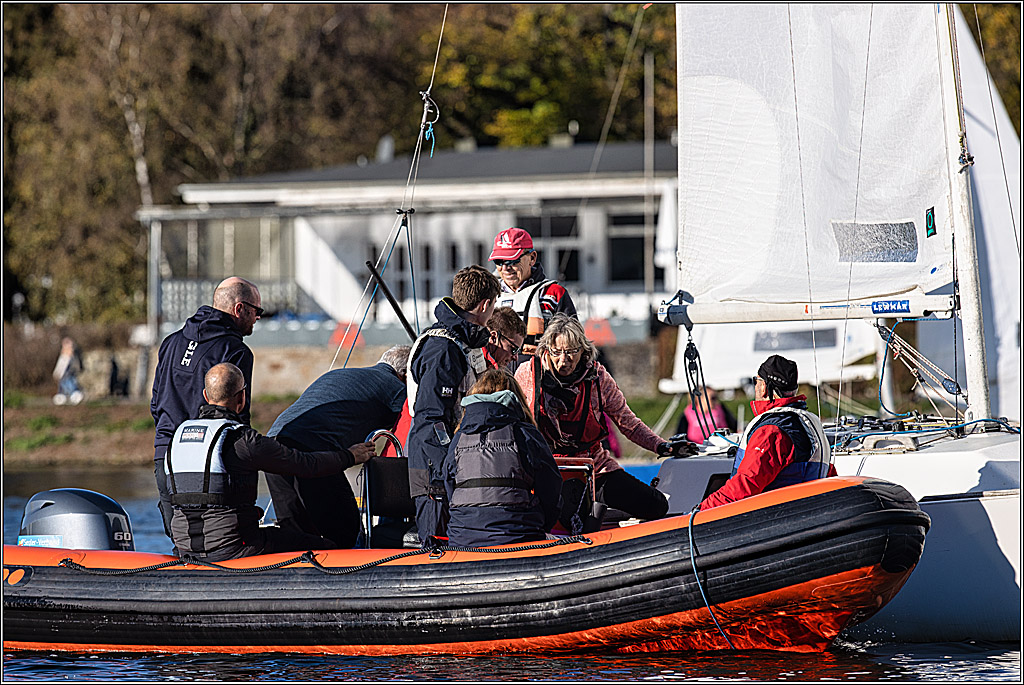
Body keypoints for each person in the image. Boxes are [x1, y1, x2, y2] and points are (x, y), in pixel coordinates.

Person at [164, 363, 375, 561]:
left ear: (205, 395)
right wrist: (350, 456)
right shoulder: (244, 441)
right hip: (234, 547)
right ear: (242, 398)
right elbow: (305, 464)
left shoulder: (176, 439)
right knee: (327, 547)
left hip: (184, 548)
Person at [515, 315, 696, 526]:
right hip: (547, 471)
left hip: (595, 470)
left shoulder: (598, 378)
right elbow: (515, 426)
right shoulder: (528, 374)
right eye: (557, 352)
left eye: (572, 352)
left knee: (656, 506)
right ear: (546, 349)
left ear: (584, 351)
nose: (564, 360)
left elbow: (628, 423)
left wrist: (661, 446)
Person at [151, 276, 262, 545]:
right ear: (240, 309)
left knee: (182, 541)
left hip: (166, 455)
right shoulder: (236, 351)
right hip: (213, 460)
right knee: (226, 541)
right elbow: (237, 412)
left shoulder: (171, 342)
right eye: (257, 311)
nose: (258, 318)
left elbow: (156, 403)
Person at [264, 345, 410, 548]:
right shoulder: (395, 387)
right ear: (404, 375)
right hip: (311, 448)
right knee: (346, 531)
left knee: (295, 531)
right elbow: (415, 423)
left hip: (273, 441)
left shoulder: (347, 374)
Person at [406, 265, 501, 544]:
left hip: (454, 459)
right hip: (435, 466)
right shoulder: (443, 348)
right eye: (494, 307)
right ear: (484, 305)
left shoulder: (463, 344)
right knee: (437, 541)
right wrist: (448, 465)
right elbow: (431, 416)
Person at [442, 369, 562, 547]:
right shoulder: (524, 434)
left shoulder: (458, 439)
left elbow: (449, 486)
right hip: (518, 535)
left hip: (463, 539)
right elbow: (551, 489)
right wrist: (542, 524)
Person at [699, 354, 833, 511]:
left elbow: (745, 484)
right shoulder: (808, 421)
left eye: (756, 381)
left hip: (778, 515)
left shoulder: (771, 431)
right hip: (808, 509)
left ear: (763, 387)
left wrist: (701, 510)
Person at [488, 227, 577, 358]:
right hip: (497, 375)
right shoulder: (487, 296)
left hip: (541, 373)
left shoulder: (553, 294)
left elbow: (573, 347)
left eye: (512, 261)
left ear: (532, 258)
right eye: (499, 262)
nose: (505, 268)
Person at [483, 306, 527, 371]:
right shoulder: (468, 361)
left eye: (518, 351)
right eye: (513, 350)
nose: (516, 358)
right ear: (493, 338)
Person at [52, 337, 84, 405]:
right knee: (64, 384)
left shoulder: (72, 357)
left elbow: (75, 366)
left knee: (71, 383)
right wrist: (57, 373)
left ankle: (74, 394)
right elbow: (60, 366)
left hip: (69, 375)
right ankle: (64, 395)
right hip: (64, 375)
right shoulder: (64, 357)